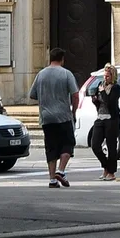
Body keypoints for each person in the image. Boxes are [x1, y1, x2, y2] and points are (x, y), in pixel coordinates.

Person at [29, 47, 82, 188]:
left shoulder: (41, 74)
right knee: (68, 144)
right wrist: (73, 111)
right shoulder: (66, 74)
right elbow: (75, 95)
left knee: (51, 147)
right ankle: (61, 171)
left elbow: (32, 94)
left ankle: (52, 179)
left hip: (46, 117)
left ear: (50, 58)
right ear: (62, 59)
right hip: (63, 116)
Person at [88, 64, 120, 181]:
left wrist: (103, 93)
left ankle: (111, 172)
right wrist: (95, 100)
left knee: (111, 146)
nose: (105, 78)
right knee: (95, 145)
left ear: (112, 76)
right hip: (100, 117)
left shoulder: (116, 88)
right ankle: (105, 166)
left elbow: (110, 103)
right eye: (104, 76)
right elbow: (101, 103)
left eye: (108, 76)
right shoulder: (101, 85)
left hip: (112, 119)